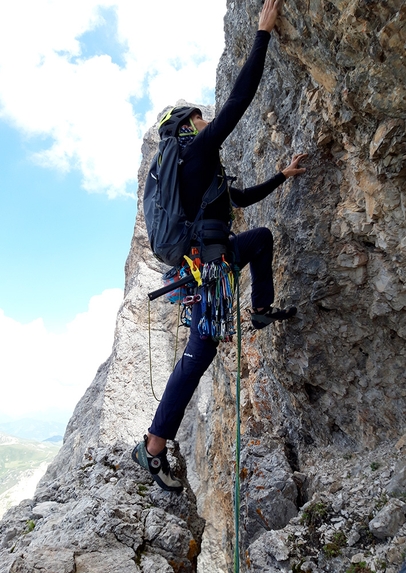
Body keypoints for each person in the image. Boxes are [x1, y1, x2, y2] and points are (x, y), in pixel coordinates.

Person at [132, 0, 307, 492]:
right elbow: (240, 101)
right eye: (200, 118)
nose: (209, 121)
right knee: (201, 350)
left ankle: (262, 309)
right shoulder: (194, 155)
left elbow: (241, 197)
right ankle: (153, 444)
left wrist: (282, 175)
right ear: (186, 126)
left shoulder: (201, 172)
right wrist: (262, 34)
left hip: (211, 262)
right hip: (207, 266)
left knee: (262, 238)